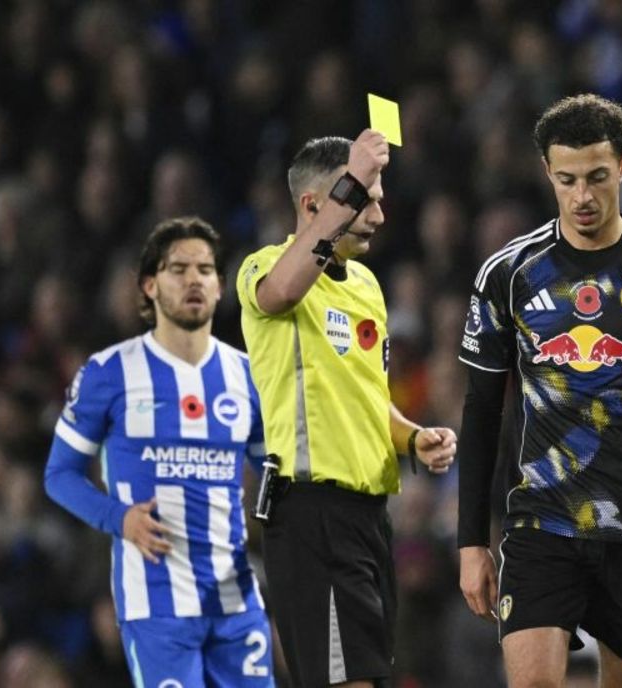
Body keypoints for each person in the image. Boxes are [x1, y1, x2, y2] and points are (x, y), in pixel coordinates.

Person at [457, 94, 622, 687]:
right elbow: (481, 412)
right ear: (547, 172)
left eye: (597, 177)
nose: (583, 197)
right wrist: (471, 540)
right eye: (567, 180)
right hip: (542, 522)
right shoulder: (509, 275)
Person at [235, 130, 458, 688]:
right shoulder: (264, 269)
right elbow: (283, 291)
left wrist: (412, 437)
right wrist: (352, 178)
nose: (378, 216)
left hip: (369, 520)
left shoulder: (365, 285)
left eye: (377, 198)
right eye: (366, 199)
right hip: (312, 515)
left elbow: (367, 401)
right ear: (314, 205)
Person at [44, 217, 274, 687]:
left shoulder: (248, 376)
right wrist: (120, 519)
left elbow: (273, 472)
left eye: (206, 270)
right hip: (155, 604)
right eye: (179, 269)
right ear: (149, 285)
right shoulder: (109, 372)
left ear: (220, 287)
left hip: (236, 599)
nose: (194, 279)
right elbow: (59, 475)